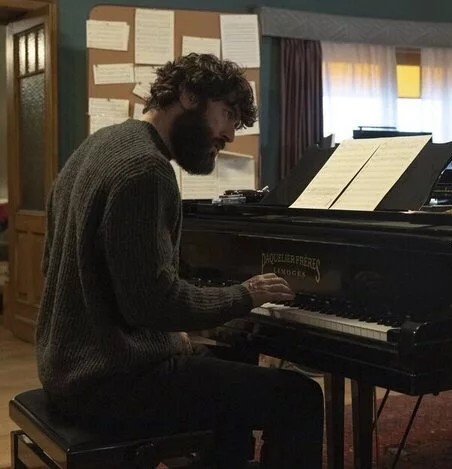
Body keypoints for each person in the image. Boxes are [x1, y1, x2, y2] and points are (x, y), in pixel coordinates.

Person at [36, 53, 324, 469]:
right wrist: (245, 294)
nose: (229, 135)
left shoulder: (97, 145)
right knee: (300, 397)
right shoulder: (146, 170)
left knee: (232, 363)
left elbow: (55, 267)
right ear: (189, 96)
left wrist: (169, 337)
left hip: (67, 369)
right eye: (227, 114)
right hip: (110, 384)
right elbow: (153, 305)